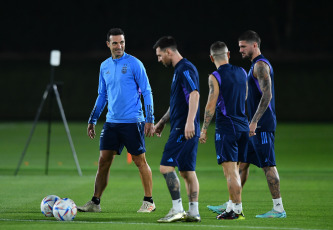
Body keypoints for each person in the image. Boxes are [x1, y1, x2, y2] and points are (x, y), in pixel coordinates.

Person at [208, 30, 286, 218]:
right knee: (242, 164)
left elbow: (267, 95)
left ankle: (278, 209)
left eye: (243, 46)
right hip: (253, 126)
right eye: (239, 46)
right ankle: (231, 204)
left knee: (268, 165)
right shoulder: (252, 67)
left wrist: (254, 121)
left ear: (254, 45)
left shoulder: (260, 65)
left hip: (262, 125)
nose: (240, 50)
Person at [77, 28, 156, 213]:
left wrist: (150, 118)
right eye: (115, 43)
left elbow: (147, 91)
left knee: (139, 161)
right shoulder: (104, 66)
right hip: (112, 122)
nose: (119, 46)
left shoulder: (135, 63)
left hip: (133, 121)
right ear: (108, 45)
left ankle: (149, 201)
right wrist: (93, 119)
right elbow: (102, 95)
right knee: (103, 160)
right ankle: (95, 202)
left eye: (122, 42)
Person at [153, 36, 201, 223]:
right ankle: (193, 212)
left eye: (159, 55)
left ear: (169, 52)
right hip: (183, 125)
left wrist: (189, 122)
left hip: (183, 127)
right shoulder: (178, 71)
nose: (159, 59)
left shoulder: (185, 68)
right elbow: (178, 103)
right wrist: (163, 120)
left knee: (166, 167)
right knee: (187, 171)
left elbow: (194, 94)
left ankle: (177, 209)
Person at [199, 41, 249, 220]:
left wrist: (204, 129)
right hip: (243, 126)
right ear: (228, 55)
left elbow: (211, 105)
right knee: (237, 169)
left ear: (212, 58)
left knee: (230, 172)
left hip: (227, 128)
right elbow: (245, 97)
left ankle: (236, 210)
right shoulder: (243, 72)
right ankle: (231, 206)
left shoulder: (215, 76)